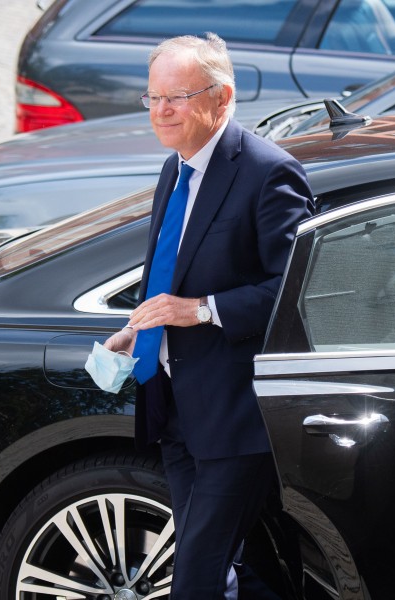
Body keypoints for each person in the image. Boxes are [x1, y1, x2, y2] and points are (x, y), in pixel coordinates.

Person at [103, 33, 314, 599]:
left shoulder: (269, 174)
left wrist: (201, 312)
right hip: (173, 403)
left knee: (195, 576)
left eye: (177, 97)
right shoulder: (176, 168)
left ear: (221, 99)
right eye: (152, 98)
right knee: (242, 571)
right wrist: (135, 329)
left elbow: (297, 293)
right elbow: (173, 264)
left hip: (236, 416)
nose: (161, 111)